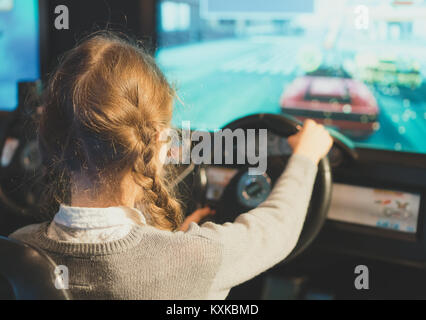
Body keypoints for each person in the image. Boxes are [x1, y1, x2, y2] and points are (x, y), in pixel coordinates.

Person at [9, 32, 333, 299]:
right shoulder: (195, 258)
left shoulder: (19, 251)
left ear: (51, 140)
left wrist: (171, 242)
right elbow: (279, 229)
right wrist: (305, 156)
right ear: (160, 143)